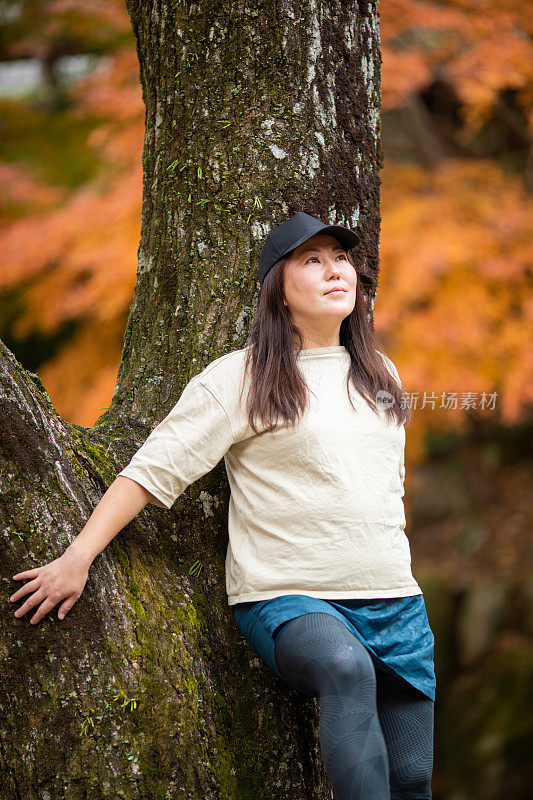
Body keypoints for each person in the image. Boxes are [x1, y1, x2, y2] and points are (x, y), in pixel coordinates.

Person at [10, 211, 436, 800]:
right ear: (278, 291)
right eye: (312, 260)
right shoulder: (241, 378)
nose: (334, 270)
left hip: (396, 601)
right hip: (291, 596)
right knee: (345, 667)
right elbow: (151, 470)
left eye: (340, 258)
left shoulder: (379, 373)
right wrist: (76, 558)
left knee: (411, 778)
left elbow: (387, 484)